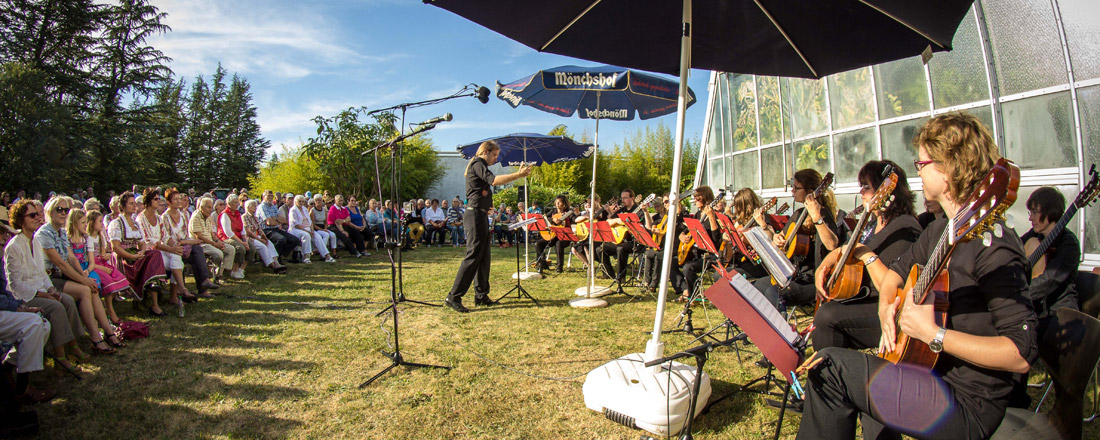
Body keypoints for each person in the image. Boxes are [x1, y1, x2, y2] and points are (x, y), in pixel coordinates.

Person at [795, 113, 1037, 440]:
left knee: (829, 368)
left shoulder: (995, 247)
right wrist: (885, 312)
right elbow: (894, 275)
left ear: (947, 169)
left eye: (921, 163)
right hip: (927, 374)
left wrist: (933, 334)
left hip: (966, 405)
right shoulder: (938, 230)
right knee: (872, 393)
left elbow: (1020, 355)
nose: (917, 170)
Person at [809, 160, 921, 352]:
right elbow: (843, 249)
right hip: (861, 298)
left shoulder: (904, 228)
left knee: (827, 317)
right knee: (826, 312)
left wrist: (866, 254)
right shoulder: (872, 223)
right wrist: (823, 267)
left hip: (888, 311)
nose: (861, 192)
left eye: (867, 187)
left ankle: (831, 372)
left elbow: (894, 288)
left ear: (886, 191)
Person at [3, 200, 93, 373]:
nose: (38, 218)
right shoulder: (14, 246)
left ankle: (73, 346)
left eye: (38, 214)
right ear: (21, 220)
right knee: (56, 307)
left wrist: (51, 290)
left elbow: (42, 274)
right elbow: (15, 285)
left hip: (41, 291)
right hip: (25, 296)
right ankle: (60, 358)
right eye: (32, 215)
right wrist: (44, 295)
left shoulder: (35, 242)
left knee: (65, 299)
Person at [444, 140, 532, 313]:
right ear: (485, 152)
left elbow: (481, 190)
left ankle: (481, 295)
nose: (495, 159)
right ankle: (453, 296)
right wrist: (519, 175)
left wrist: (487, 207)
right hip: (474, 216)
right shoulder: (478, 163)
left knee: (484, 257)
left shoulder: (480, 165)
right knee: (473, 255)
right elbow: (494, 181)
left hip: (480, 214)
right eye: (494, 155)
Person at [753, 169, 845, 311]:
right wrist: (777, 239)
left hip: (813, 279)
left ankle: (780, 330)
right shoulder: (798, 214)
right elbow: (779, 239)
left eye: (796, 187)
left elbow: (832, 245)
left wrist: (816, 218)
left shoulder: (822, 213)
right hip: (794, 274)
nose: (792, 191)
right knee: (759, 285)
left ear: (810, 191)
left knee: (773, 293)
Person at [36, 197, 122, 350]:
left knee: (93, 287)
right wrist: (84, 281)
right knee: (85, 289)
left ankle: (108, 331)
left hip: (62, 276)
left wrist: (85, 277)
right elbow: (60, 264)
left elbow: (71, 257)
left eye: (66, 210)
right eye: (59, 209)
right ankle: (95, 338)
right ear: (49, 211)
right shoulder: (44, 233)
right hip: (48, 279)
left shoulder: (61, 232)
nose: (63, 213)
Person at [0, 215, 55, 404]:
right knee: (34, 323)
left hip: (9, 306)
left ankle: (7, 367)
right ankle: (22, 390)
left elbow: (5, 289)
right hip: (8, 306)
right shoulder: (13, 247)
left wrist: (21, 306)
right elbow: (14, 285)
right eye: (2, 232)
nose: (4, 236)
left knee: (43, 324)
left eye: (5, 231)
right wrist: (19, 307)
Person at [1020, 187, 1079, 337]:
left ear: (1049, 212)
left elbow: (1049, 280)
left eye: (1034, 212)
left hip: (1059, 316)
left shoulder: (1068, 244)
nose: (1030, 218)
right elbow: (1014, 248)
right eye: (1030, 212)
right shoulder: (1034, 235)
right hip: (1035, 310)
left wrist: (1018, 293)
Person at [111, 192, 170, 316]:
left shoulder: (135, 224)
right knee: (151, 260)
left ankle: (154, 296)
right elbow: (115, 247)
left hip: (137, 255)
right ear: (123, 206)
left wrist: (142, 252)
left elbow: (142, 243)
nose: (134, 206)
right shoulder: (116, 223)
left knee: (155, 254)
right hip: (125, 257)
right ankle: (153, 294)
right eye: (131, 204)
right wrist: (132, 256)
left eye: (134, 204)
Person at [137, 188, 193, 306]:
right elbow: (149, 241)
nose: (159, 201)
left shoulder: (158, 218)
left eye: (159, 199)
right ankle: (181, 290)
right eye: (156, 199)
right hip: (149, 253)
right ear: (148, 201)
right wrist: (170, 249)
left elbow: (165, 237)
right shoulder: (141, 219)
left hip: (161, 250)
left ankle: (177, 293)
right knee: (176, 260)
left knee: (176, 257)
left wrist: (175, 246)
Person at [161, 188, 217, 299]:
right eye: (175, 199)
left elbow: (185, 234)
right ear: (168, 202)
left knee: (197, 250)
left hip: (183, 246)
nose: (178, 201)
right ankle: (181, 290)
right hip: (171, 249)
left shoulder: (182, 215)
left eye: (179, 199)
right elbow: (167, 239)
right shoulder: (164, 217)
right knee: (183, 252)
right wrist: (187, 242)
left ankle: (204, 283)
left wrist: (188, 242)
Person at [84, 210, 135, 322]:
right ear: (92, 223)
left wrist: (106, 255)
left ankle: (108, 306)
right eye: (99, 221)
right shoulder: (88, 238)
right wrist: (102, 266)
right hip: (94, 265)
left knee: (116, 275)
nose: (102, 224)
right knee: (107, 280)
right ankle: (109, 310)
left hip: (101, 263)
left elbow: (102, 253)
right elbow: (89, 259)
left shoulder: (100, 236)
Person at [189, 197, 236, 283]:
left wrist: (218, 242)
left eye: (211, 207)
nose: (211, 210)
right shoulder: (196, 217)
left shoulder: (207, 217)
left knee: (231, 249)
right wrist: (214, 244)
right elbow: (198, 236)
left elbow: (212, 234)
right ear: (202, 207)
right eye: (208, 207)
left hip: (210, 242)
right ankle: (216, 274)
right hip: (200, 244)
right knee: (219, 254)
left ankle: (219, 273)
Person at [244, 200, 288, 274]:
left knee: (269, 244)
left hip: (257, 236)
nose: (255, 207)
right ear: (248, 207)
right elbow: (248, 232)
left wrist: (264, 238)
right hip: (250, 238)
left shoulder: (255, 217)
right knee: (262, 246)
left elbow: (260, 229)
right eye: (253, 206)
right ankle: (272, 265)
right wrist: (260, 239)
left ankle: (276, 262)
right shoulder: (244, 217)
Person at [288, 195, 336, 264]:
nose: (301, 203)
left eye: (302, 201)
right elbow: (296, 225)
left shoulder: (304, 209)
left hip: (308, 229)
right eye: (299, 201)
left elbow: (310, 222)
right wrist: (307, 231)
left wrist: (312, 230)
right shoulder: (293, 210)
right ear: (295, 202)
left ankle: (326, 256)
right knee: (306, 235)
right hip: (296, 230)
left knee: (317, 237)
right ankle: (306, 257)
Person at [257, 190, 300, 261]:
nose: (271, 197)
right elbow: (269, 222)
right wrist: (277, 220)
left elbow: (283, 219)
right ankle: (275, 258)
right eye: (268, 196)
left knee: (294, 240)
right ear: (263, 197)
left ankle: (279, 255)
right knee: (281, 239)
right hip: (266, 230)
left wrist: (275, 219)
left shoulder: (273, 206)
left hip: (276, 229)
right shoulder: (262, 207)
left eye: (272, 196)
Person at [535, 195, 574, 274]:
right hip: (553, 236)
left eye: (559, 202)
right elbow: (544, 217)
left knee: (558, 244)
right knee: (538, 244)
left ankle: (559, 267)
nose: (557, 204)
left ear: (564, 203)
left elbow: (574, 219)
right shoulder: (553, 211)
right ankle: (543, 264)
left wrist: (577, 214)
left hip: (565, 237)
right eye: (556, 202)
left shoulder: (569, 212)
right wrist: (552, 219)